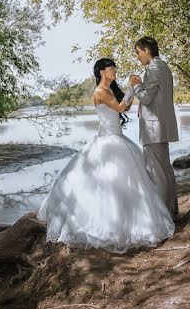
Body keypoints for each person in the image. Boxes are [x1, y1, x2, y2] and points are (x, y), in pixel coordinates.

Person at [37, 57, 175, 252]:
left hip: (118, 139)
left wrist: (130, 92)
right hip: (108, 141)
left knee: (130, 186)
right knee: (110, 186)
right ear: (102, 71)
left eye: (115, 67)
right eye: (112, 68)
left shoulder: (109, 90)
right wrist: (133, 88)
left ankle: (130, 224)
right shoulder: (100, 91)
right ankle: (107, 229)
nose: (115, 70)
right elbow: (120, 107)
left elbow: (124, 107)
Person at [128, 36, 180, 219]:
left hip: (154, 128)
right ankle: (172, 211)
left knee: (157, 173)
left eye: (138, 52)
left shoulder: (154, 68)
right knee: (165, 169)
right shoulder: (161, 66)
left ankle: (162, 215)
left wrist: (136, 86)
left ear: (145, 50)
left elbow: (146, 98)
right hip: (158, 127)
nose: (137, 57)